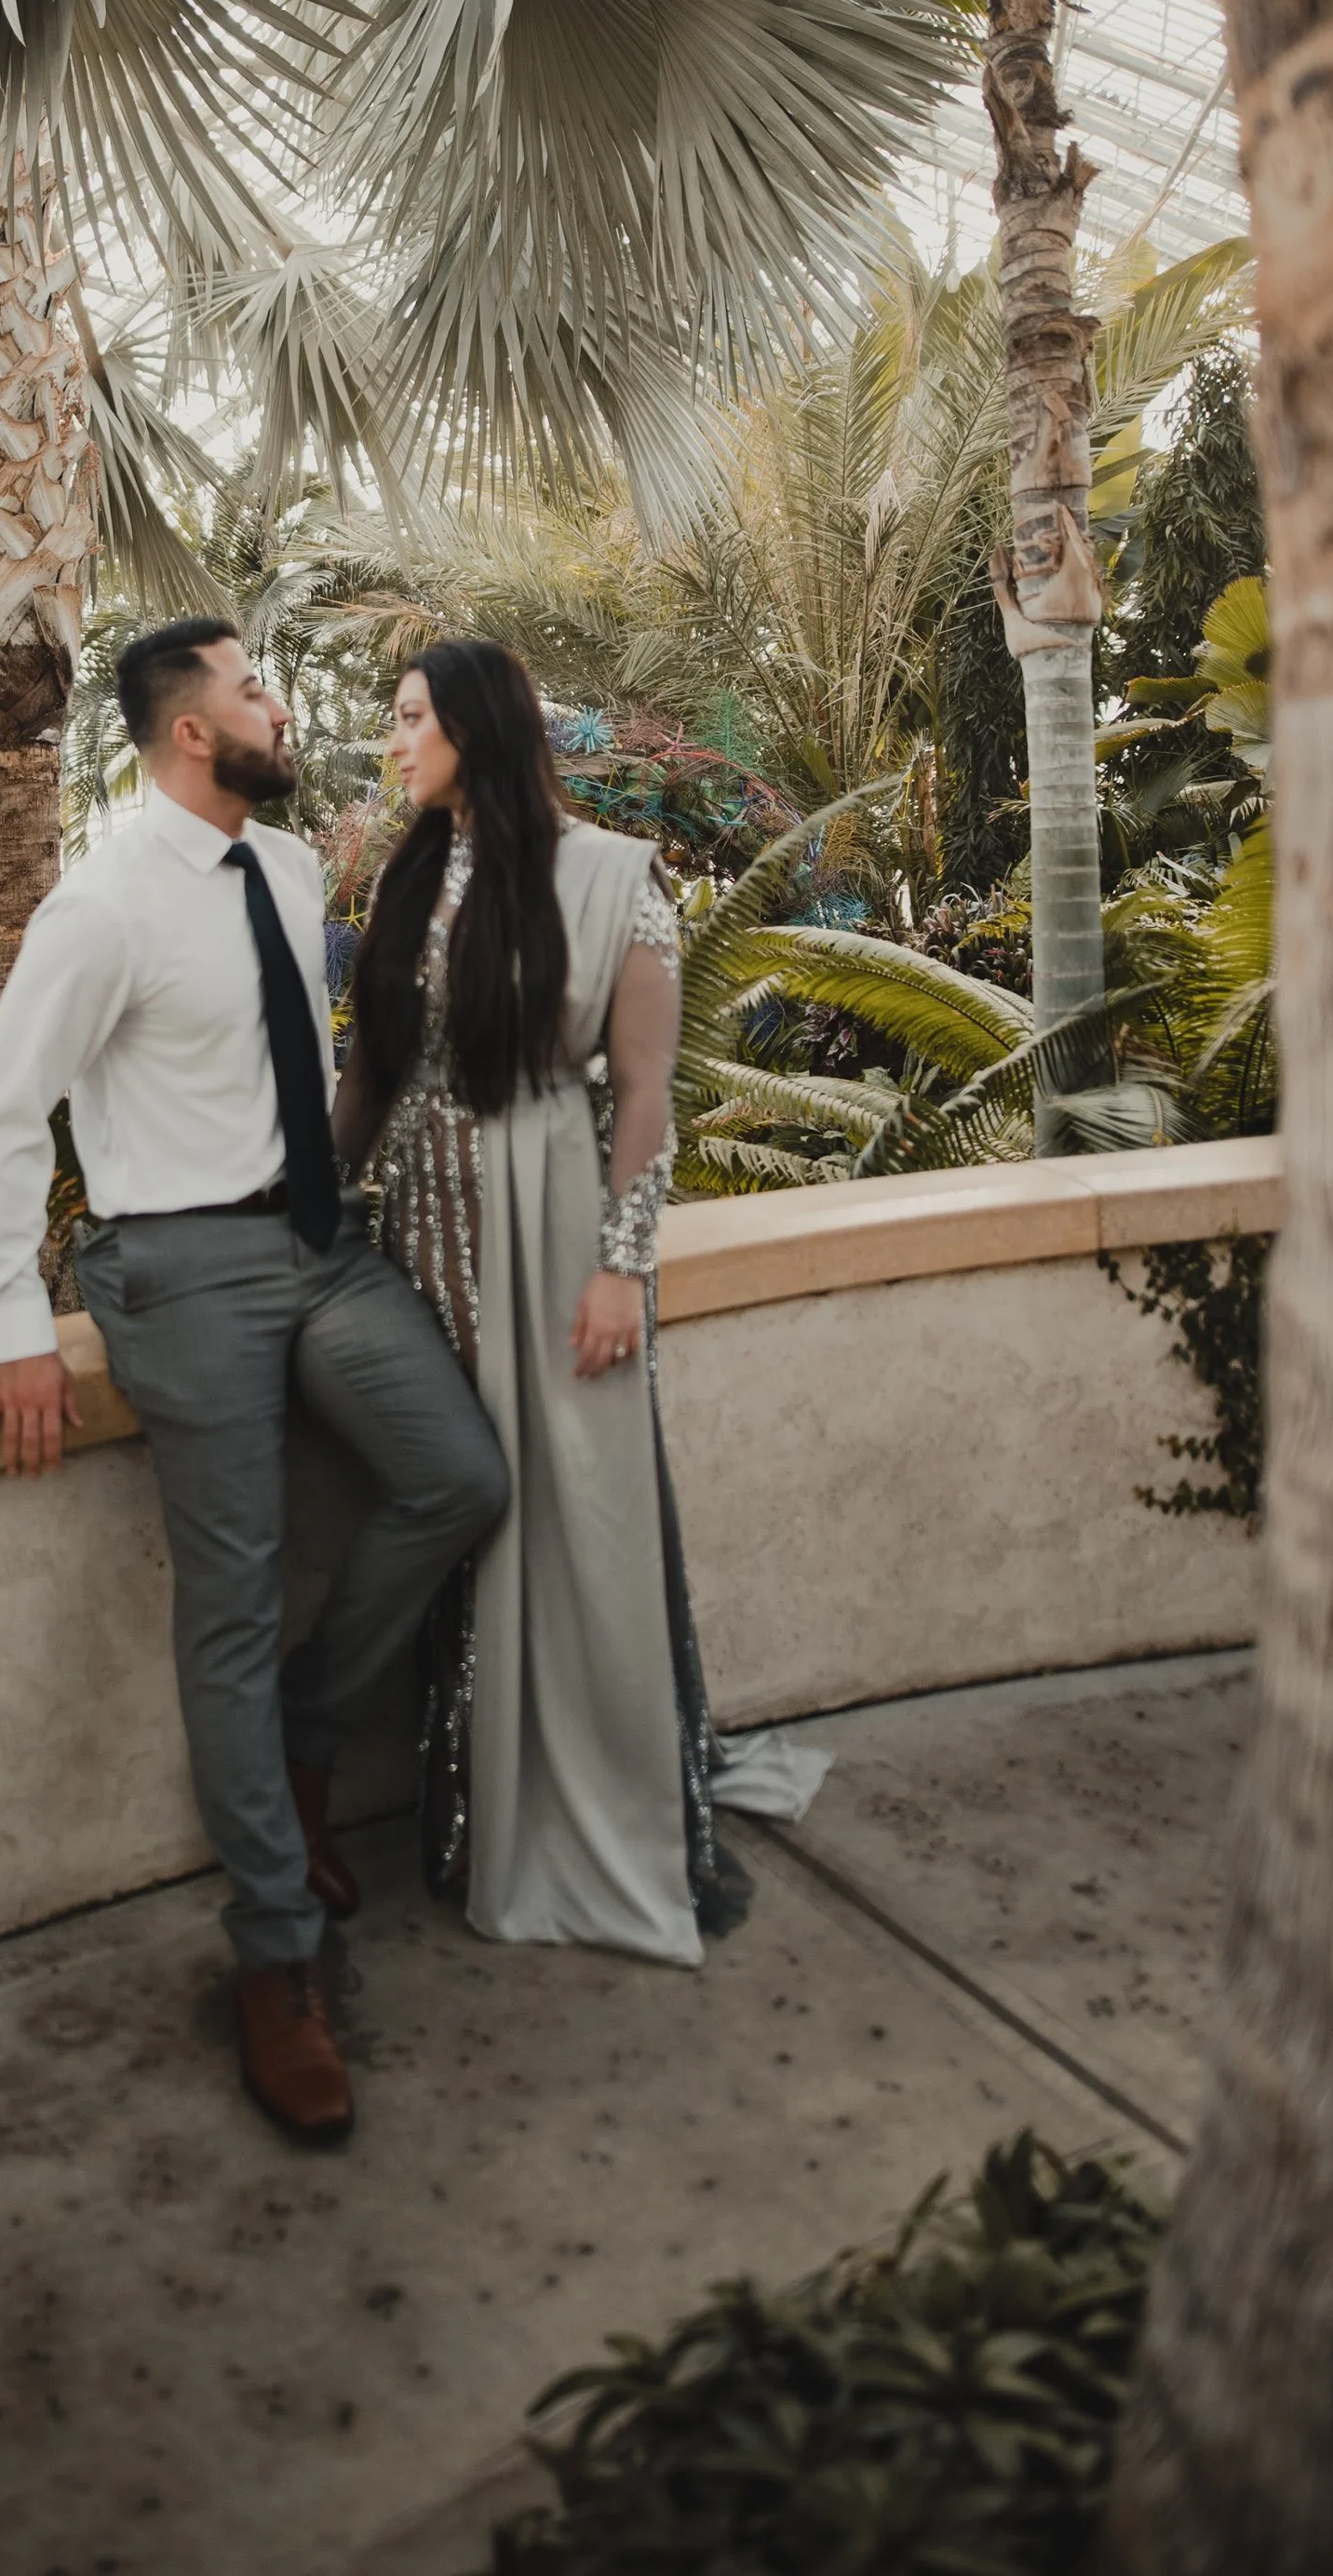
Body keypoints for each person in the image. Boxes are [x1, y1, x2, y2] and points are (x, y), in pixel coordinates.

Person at [0, 618, 509, 2147]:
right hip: (180, 1271)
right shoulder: (103, 903)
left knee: (460, 1476)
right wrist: (12, 1319)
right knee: (235, 1593)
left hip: (315, 1242)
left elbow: (296, 1063)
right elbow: (3, 1114)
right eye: (254, 687)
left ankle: (308, 1743)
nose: (280, 705)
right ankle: (276, 1958)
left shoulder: (280, 870)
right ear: (193, 732)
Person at [337, 637, 828, 1963]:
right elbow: (371, 1078)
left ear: (478, 726)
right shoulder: (413, 872)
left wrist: (622, 1262)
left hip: (553, 1226)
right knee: (464, 1510)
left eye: (409, 718)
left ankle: (580, 1794)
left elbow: (647, 1094)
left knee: (574, 1503)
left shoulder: (613, 878)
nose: (392, 743)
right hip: (413, 1243)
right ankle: (467, 1797)